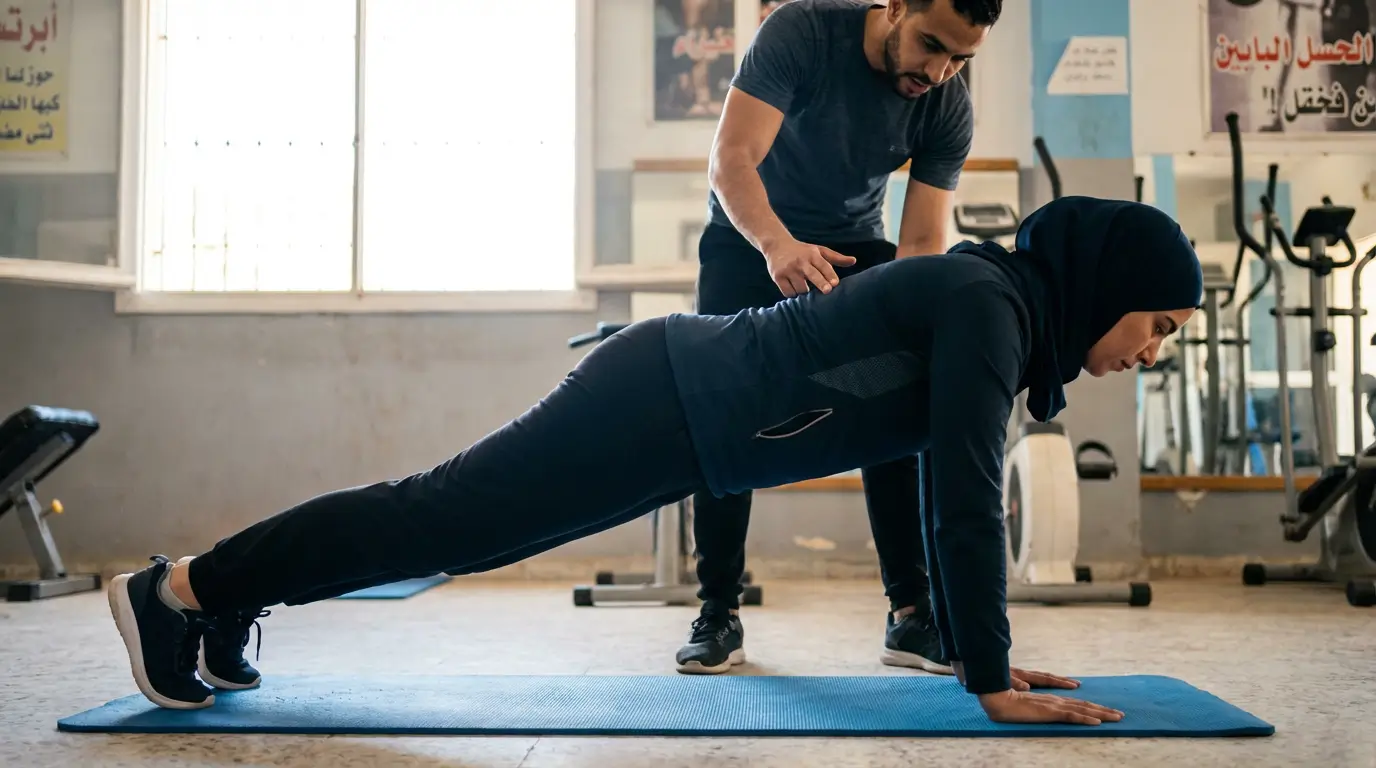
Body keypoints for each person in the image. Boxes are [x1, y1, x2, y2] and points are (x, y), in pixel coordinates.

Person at [107, 196, 1203, 726]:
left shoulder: (993, 311)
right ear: (1103, 288)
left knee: (449, 533)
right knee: (433, 519)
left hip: (681, 421)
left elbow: (929, 481)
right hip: (666, 395)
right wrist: (986, 680)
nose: (1147, 351)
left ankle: (212, 601)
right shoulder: (985, 303)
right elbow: (962, 494)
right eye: (1152, 324)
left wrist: (990, 656)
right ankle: (180, 590)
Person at [681, 0, 1000, 676]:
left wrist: (913, 335)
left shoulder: (946, 104)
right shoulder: (800, 32)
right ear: (894, 8)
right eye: (931, 45)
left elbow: (918, 242)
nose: (940, 71)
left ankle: (911, 614)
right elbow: (731, 158)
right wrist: (778, 246)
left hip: (855, 250)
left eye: (960, 59)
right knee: (724, 419)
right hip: (748, 240)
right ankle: (717, 611)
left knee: (895, 410)